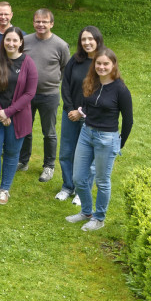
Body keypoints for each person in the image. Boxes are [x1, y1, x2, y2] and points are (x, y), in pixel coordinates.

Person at [67, 49, 133, 232]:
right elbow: (87, 106)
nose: (102, 67)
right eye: (99, 64)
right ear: (94, 65)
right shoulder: (91, 82)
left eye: (106, 64)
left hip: (107, 138)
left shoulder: (121, 89)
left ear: (113, 65)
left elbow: (128, 120)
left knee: (102, 181)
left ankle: (99, 218)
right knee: (79, 177)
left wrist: (120, 143)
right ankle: (86, 212)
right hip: (86, 133)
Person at [0, 27, 37, 205]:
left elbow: (29, 93)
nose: (11, 43)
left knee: (12, 153)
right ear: (3, 41)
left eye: (15, 40)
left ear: (21, 42)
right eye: (7, 40)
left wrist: (8, 112)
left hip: (17, 116)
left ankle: (5, 189)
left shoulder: (28, 63)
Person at [19, 8, 70, 181]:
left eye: (44, 21)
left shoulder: (61, 45)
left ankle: (49, 166)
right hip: (27, 95)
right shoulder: (24, 41)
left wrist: (53, 81)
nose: (41, 24)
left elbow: (65, 69)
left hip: (49, 95)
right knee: (25, 129)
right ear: (33, 23)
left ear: (51, 24)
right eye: (37, 21)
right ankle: (23, 160)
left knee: (49, 132)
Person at [56, 26, 104, 202]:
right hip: (70, 114)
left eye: (90, 39)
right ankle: (67, 186)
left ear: (97, 40)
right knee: (66, 153)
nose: (87, 42)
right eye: (83, 39)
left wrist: (81, 112)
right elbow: (66, 85)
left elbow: (102, 92)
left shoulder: (102, 62)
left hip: (91, 117)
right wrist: (70, 109)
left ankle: (82, 190)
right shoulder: (74, 61)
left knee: (87, 156)